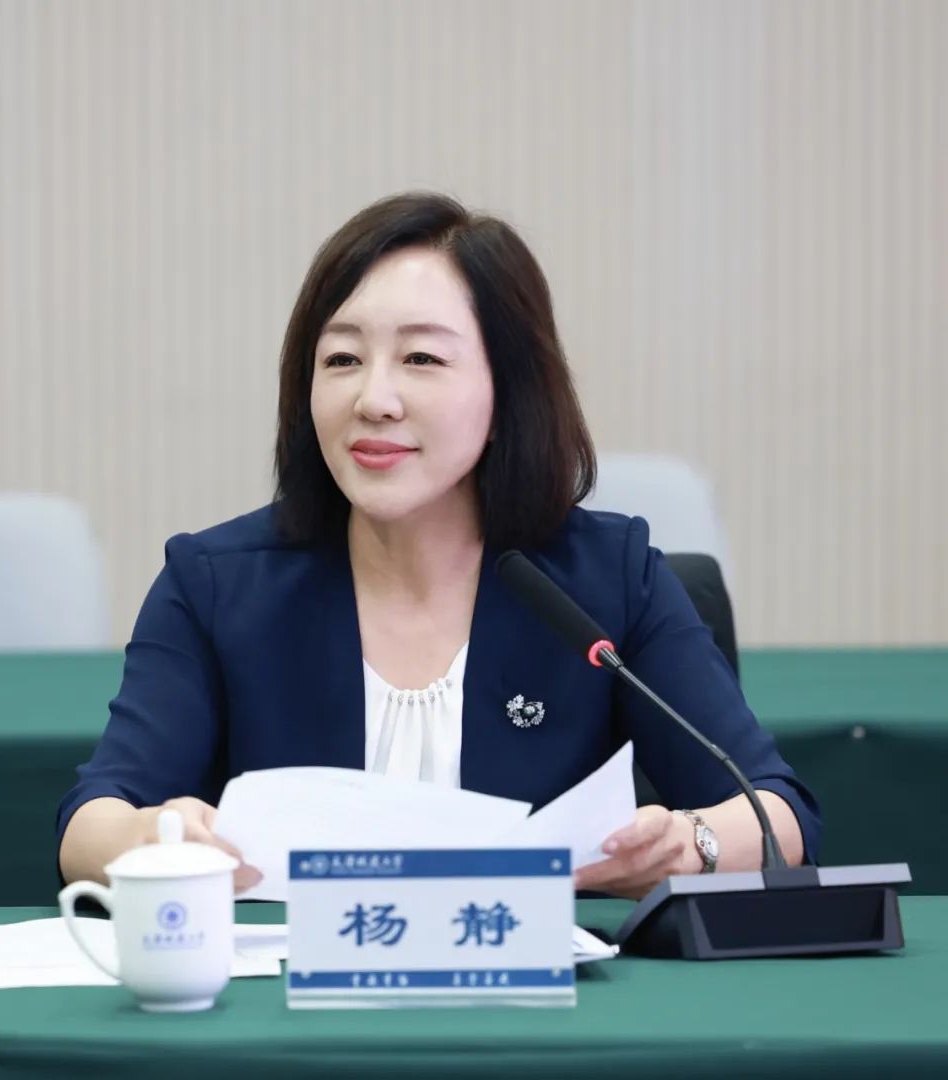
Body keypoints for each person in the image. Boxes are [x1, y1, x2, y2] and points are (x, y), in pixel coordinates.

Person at [57, 192, 820, 899]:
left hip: (541, 991)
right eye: (342, 359)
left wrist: (688, 846)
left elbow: (778, 817)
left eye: (421, 359)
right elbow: (90, 822)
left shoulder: (607, 580)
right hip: (294, 992)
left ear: (508, 390)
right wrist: (155, 837)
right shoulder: (216, 586)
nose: (373, 399)